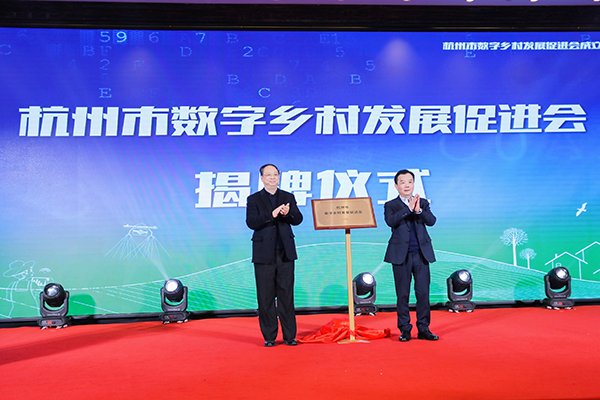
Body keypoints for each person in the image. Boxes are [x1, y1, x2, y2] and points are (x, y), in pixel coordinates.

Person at [246, 164, 303, 347]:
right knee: (265, 297)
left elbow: (298, 219)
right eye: (268, 175)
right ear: (262, 178)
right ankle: (269, 336)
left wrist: (287, 213)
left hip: (285, 253)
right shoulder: (254, 199)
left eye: (275, 174)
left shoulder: (288, 197)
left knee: (286, 295)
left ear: (279, 177)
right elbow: (251, 222)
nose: (272, 178)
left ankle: (289, 336)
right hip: (263, 254)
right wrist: (271, 214)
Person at [384, 169, 439, 342]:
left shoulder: (422, 203)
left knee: (423, 293)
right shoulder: (391, 205)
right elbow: (390, 221)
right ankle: (405, 329)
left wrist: (418, 211)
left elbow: (432, 221)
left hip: (421, 255)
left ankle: (423, 328)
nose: (407, 185)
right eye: (402, 182)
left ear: (414, 184)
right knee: (403, 294)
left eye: (410, 182)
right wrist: (408, 209)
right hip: (401, 255)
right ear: (396, 186)